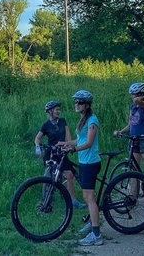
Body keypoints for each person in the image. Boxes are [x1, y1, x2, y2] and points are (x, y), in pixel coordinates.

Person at [59, 90, 103, 246]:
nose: (77, 105)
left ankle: (96, 235)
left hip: (90, 162)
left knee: (89, 198)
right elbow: (80, 140)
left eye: (80, 102)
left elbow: (89, 143)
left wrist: (73, 149)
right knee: (88, 196)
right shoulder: (84, 120)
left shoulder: (92, 120)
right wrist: (66, 143)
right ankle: (93, 223)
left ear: (87, 104)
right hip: (85, 162)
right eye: (76, 102)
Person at [114, 82, 144, 211]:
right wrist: (121, 132)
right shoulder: (133, 106)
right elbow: (131, 124)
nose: (131, 97)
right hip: (133, 139)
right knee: (135, 170)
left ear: (139, 94)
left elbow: (139, 101)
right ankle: (132, 198)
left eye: (133, 94)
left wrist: (143, 96)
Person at [34, 100, 85, 209]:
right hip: (51, 154)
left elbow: (68, 136)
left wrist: (69, 145)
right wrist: (38, 148)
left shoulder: (63, 121)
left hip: (62, 153)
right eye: (56, 109)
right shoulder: (46, 125)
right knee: (50, 177)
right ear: (50, 111)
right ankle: (47, 201)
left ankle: (73, 200)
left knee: (70, 175)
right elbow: (37, 138)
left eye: (59, 109)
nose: (59, 111)